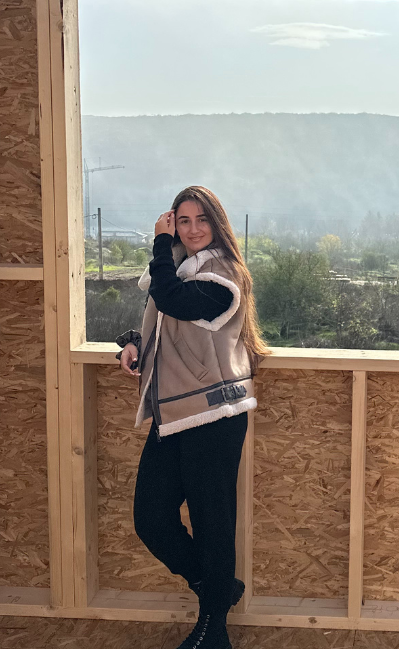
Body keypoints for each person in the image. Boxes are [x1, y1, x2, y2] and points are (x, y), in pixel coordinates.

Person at [114, 185, 269, 649]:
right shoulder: (184, 269)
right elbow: (170, 320)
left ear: (217, 225)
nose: (193, 229)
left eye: (202, 219)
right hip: (175, 415)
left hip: (214, 416)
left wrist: (160, 241)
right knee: (151, 518)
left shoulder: (224, 274)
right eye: (183, 221)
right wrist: (133, 342)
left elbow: (175, 302)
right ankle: (216, 588)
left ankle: (212, 628)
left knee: (211, 523)